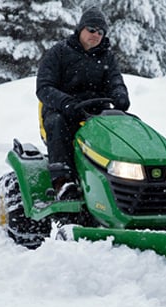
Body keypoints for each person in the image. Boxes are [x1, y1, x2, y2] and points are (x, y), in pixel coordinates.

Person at [36, 7, 130, 200]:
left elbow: (115, 82)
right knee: (58, 123)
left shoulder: (107, 57)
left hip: (97, 114)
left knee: (127, 127)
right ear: (80, 29)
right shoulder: (59, 52)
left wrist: (120, 95)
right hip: (62, 110)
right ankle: (62, 181)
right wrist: (67, 103)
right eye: (92, 29)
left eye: (100, 32)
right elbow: (44, 87)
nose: (96, 35)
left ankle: (124, 182)